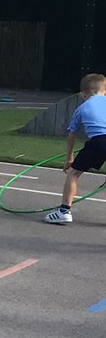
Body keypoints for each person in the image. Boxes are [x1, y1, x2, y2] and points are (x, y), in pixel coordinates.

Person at [44, 72, 106, 225]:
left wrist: (69, 159)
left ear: (82, 94)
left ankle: (64, 211)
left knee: (73, 173)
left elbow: (72, 136)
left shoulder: (82, 108)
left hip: (99, 141)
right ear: (104, 92)